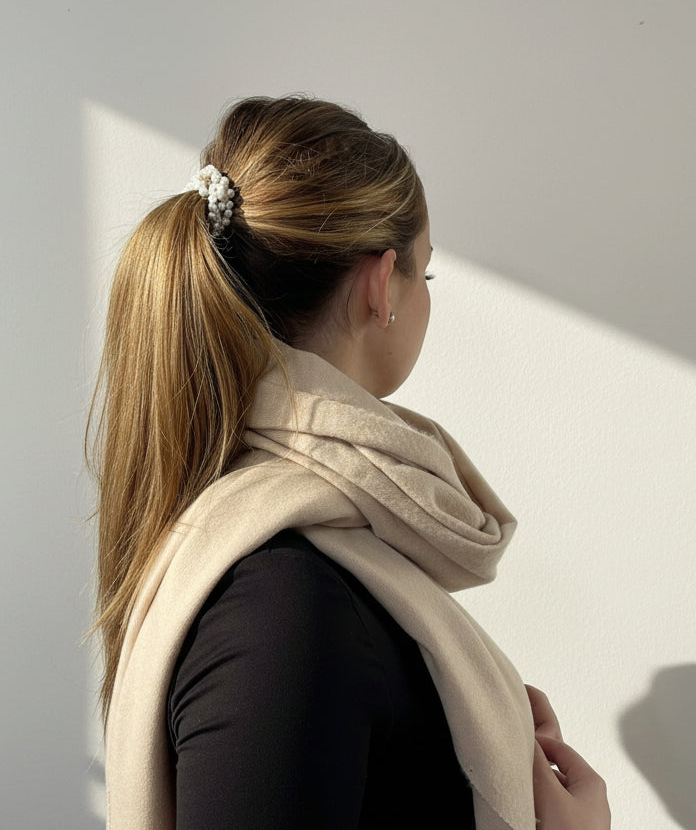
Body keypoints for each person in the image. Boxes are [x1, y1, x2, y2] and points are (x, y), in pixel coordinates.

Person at [87, 95, 610, 830]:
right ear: (380, 284)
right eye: (425, 278)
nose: (426, 301)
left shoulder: (291, 566)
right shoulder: (282, 605)